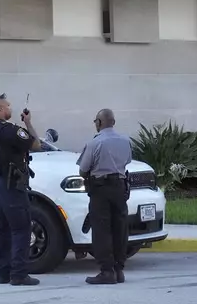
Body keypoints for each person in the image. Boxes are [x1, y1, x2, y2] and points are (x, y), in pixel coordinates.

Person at [0, 93, 43, 286]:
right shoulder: (9, 131)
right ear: (0, 109)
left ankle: (4, 273)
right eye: (8, 106)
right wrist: (28, 123)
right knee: (21, 228)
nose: (10, 109)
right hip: (11, 185)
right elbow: (36, 144)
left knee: (1, 229)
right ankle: (19, 274)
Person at [76, 108, 132, 285]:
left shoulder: (95, 143)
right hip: (120, 187)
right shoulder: (125, 141)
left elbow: (83, 169)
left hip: (101, 189)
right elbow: (127, 161)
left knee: (102, 230)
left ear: (99, 123)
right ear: (113, 122)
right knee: (119, 228)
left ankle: (106, 272)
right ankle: (119, 270)